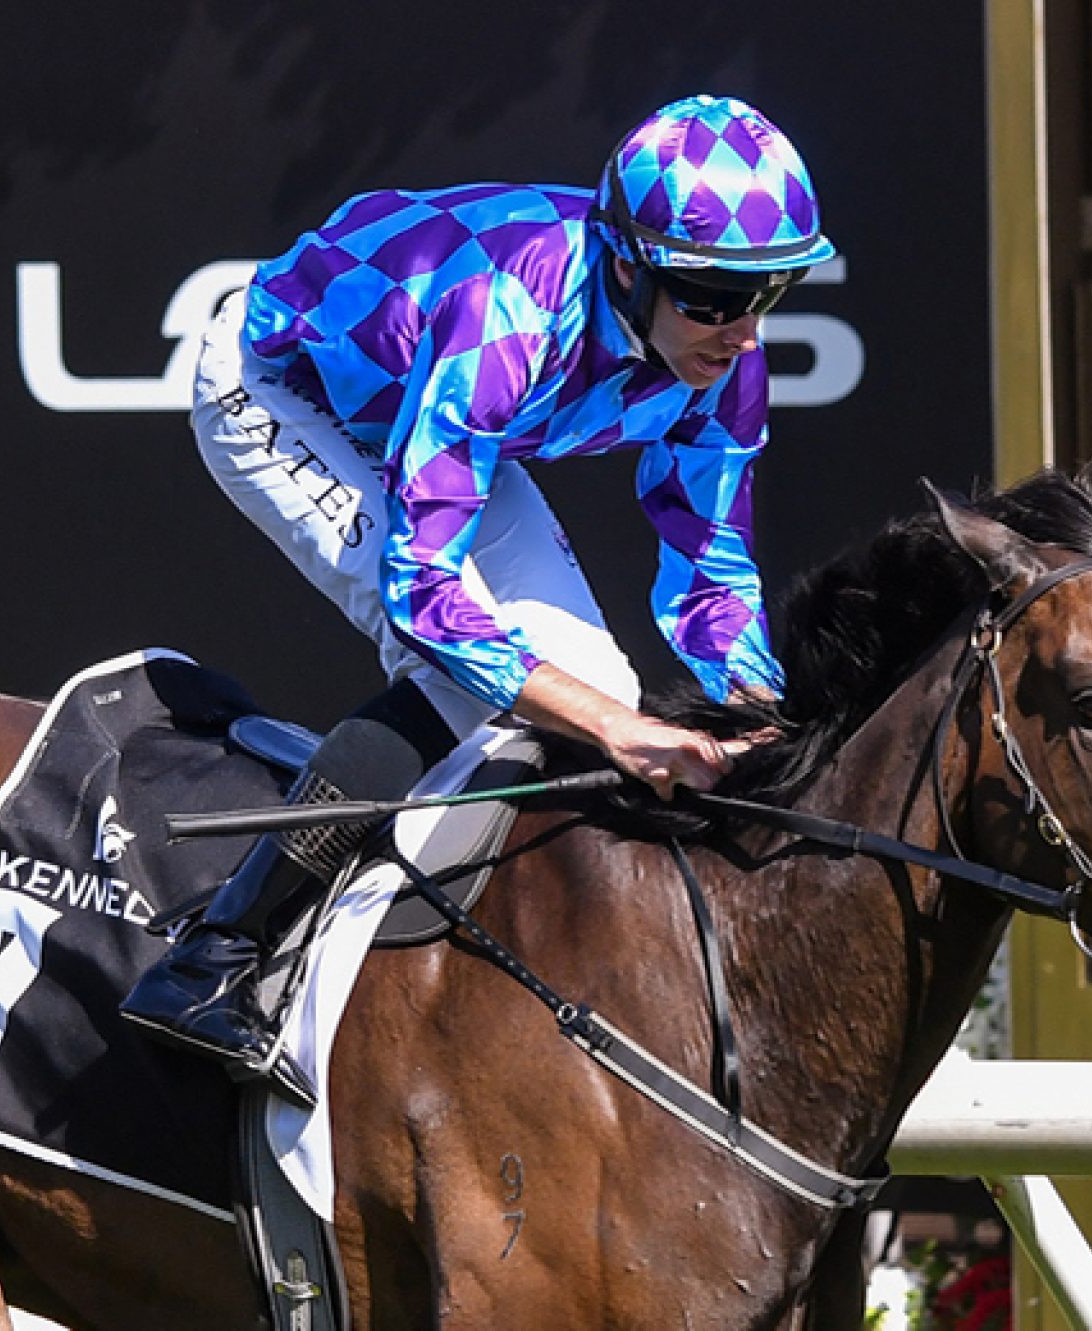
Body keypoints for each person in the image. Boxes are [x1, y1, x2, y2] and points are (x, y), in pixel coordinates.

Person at [120, 93, 834, 1103]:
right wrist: (623, 732)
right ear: (627, 264)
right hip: (279, 386)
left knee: (593, 683)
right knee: (495, 681)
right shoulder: (509, 308)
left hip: (426, 414)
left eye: (771, 292)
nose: (741, 333)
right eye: (712, 297)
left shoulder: (729, 363)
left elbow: (713, 572)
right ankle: (220, 955)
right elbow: (423, 592)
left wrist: (767, 726)